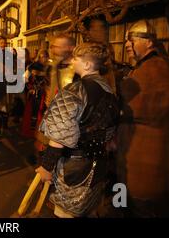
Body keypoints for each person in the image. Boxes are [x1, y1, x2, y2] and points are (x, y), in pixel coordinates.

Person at [36, 42, 120, 218]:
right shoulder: (109, 89)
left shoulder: (74, 90)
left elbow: (60, 135)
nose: (72, 61)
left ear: (88, 64)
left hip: (74, 167)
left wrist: (46, 166)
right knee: (88, 210)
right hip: (99, 164)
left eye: (76, 58)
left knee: (66, 213)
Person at [116, 20, 169, 217]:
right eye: (127, 41)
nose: (127, 45)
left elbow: (146, 108)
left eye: (133, 40)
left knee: (140, 208)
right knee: (121, 201)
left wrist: (117, 98)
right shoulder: (145, 66)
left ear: (149, 42)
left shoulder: (157, 68)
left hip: (145, 161)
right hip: (130, 156)